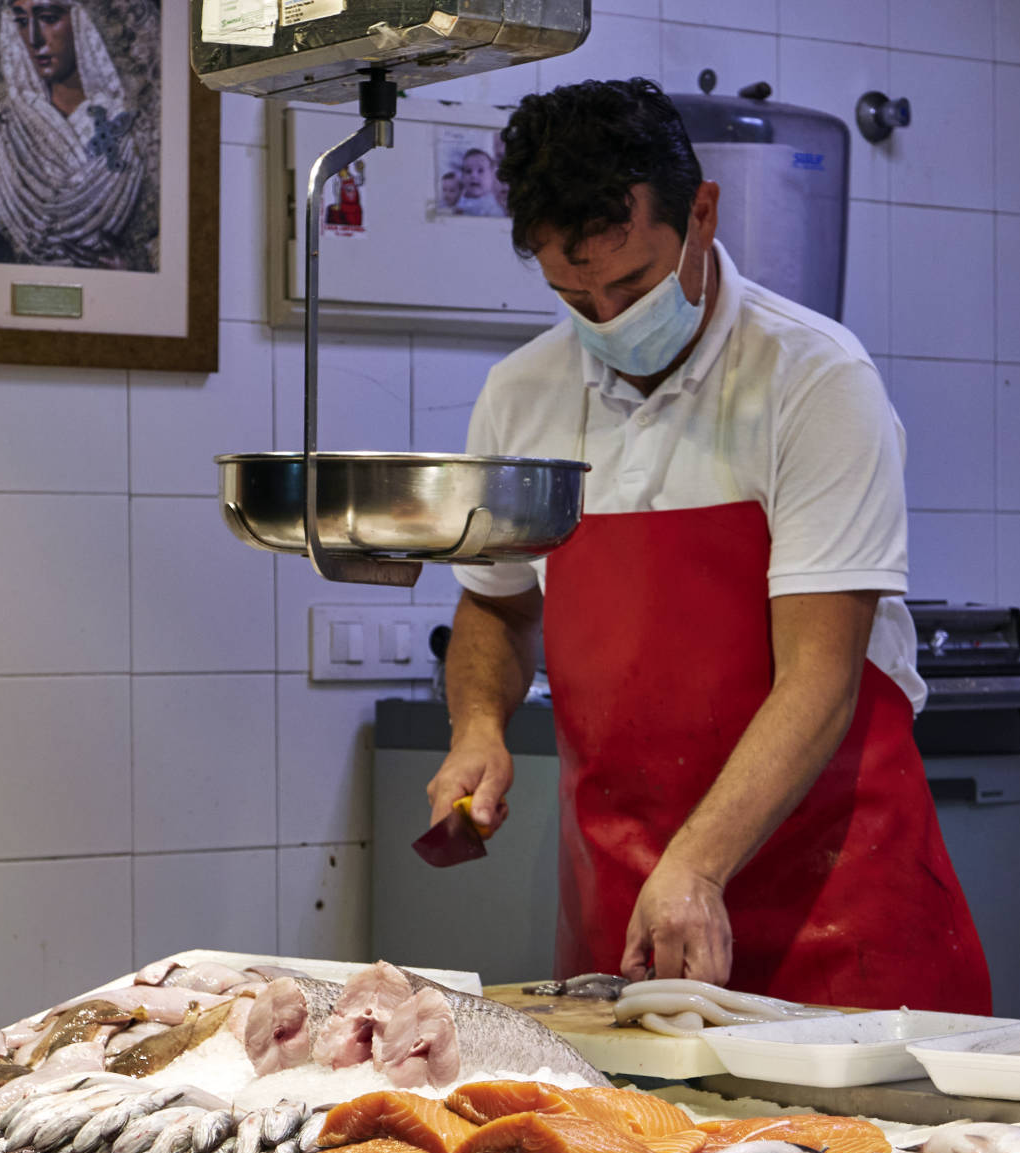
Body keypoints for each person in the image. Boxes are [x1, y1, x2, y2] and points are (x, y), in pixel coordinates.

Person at [425, 79, 991, 1012]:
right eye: (574, 293)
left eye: (634, 284)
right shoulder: (521, 394)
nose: (606, 318)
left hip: (837, 914)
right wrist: (478, 725)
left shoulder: (814, 380)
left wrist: (696, 863)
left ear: (702, 212)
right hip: (633, 912)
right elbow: (497, 599)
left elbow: (820, 676)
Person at [0, 0, 158, 270]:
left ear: (88, 19)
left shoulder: (139, 127)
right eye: (22, 21)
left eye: (49, 18)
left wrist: (134, 266)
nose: (34, 38)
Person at [453, 147, 504, 217]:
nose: (473, 175)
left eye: (480, 170)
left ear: (492, 175)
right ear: (462, 177)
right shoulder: (460, 199)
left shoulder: (491, 207)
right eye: (468, 171)